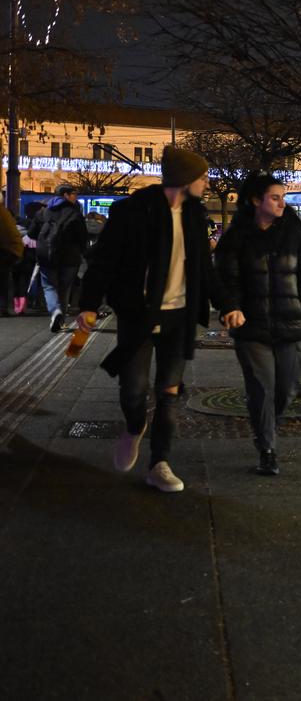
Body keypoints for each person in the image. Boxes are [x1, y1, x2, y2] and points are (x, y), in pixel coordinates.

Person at [76, 146, 244, 493]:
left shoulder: (195, 216)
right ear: (185, 179)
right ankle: (134, 426)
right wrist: (89, 304)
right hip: (139, 315)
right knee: (134, 389)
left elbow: (203, 270)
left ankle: (159, 464)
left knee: (169, 394)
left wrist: (227, 304)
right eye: (203, 176)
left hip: (179, 318)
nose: (207, 182)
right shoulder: (132, 212)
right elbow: (103, 261)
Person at [215, 174, 301, 476]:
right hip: (252, 329)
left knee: (285, 390)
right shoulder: (236, 238)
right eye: (275, 197)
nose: (281, 203)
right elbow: (225, 280)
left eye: (282, 197)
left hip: (291, 324)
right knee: (262, 388)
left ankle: (265, 429)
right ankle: (267, 449)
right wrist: (231, 307)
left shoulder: (295, 233)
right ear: (255, 201)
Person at [35, 183, 89, 332]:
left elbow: (33, 233)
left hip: (47, 256)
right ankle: (61, 321)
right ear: (66, 195)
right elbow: (82, 237)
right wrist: (84, 253)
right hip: (70, 258)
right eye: (74, 194)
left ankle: (55, 311)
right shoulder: (75, 214)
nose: (76, 197)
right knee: (64, 289)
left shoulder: (43, 212)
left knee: (49, 286)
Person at [0, 205, 21, 315]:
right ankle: (2, 308)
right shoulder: (4, 213)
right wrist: (16, 252)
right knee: (3, 282)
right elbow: (12, 234)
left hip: (4, 252)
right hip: (4, 252)